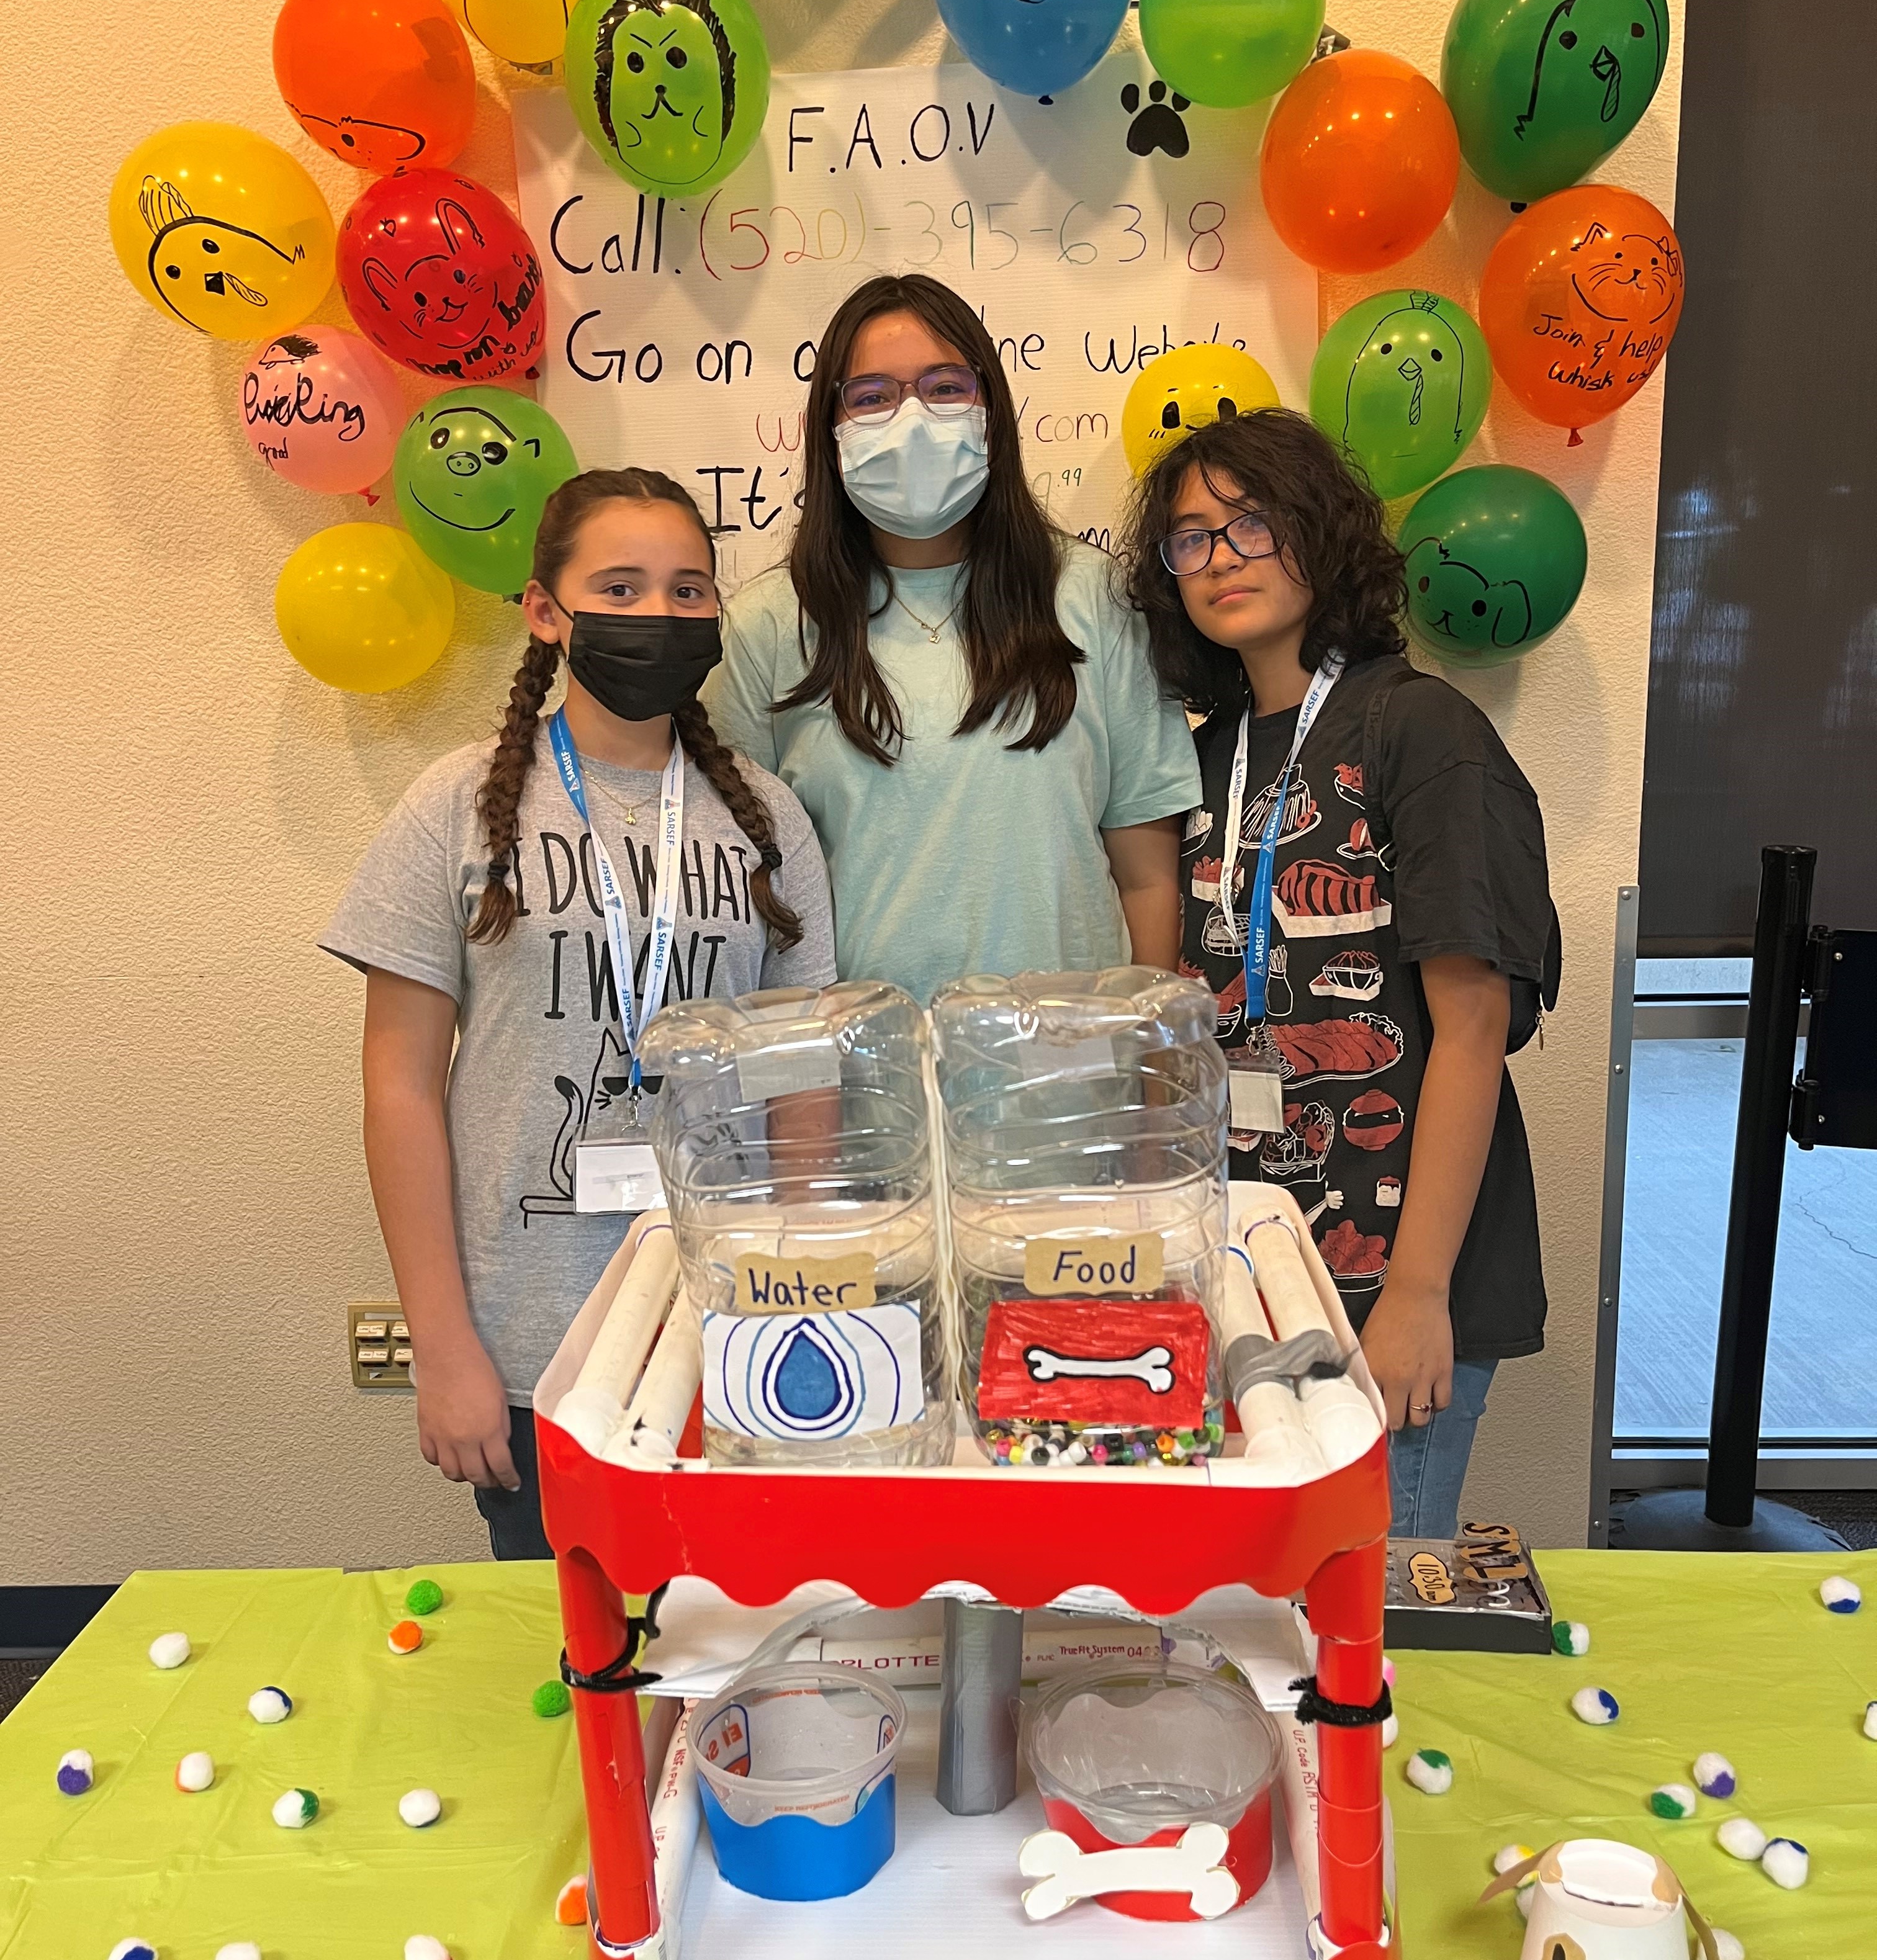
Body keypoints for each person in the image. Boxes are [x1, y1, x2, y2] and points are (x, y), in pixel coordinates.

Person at [322, 469, 836, 1557]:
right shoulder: (456, 808)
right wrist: (444, 1345)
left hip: (724, 1333)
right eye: (621, 585)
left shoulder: (768, 817)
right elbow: (399, 1086)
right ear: (547, 612)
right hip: (526, 1345)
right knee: (570, 1669)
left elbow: (802, 1081)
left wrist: (802, 1303)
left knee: (727, 1659)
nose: (658, 614)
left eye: (688, 590)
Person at [1119, 410, 1553, 1537]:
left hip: (1393, 1270)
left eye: (1248, 523)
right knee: (1256, 1602)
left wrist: (1413, 1293)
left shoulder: (1421, 732)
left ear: (1319, 530)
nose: (1218, 557)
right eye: (1189, 538)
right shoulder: (1201, 755)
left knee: (1364, 1594)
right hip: (1247, 1261)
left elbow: (1469, 1027)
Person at [704, 273, 1200, 1006]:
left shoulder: (1092, 594)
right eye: (872, 397)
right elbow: (742, 883)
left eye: (944, 388)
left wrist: (1152, 1059)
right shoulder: (770, 623)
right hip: (865, 1084)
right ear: (831, 429)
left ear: (992, 409)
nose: (912, 420)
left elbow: (1147, 870)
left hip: (1073, 1077)